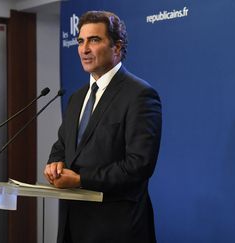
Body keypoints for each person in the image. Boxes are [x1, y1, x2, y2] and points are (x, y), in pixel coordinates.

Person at [44, 10, 162, 243]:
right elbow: (63, 145)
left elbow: (139, 165)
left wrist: (80, 180)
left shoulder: (139, 95)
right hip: (73, 224)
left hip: (116, 228)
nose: (84, 49)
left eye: (94, 40)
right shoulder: (77, 97)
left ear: (117, 48)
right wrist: (54, 163)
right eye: (80, 41)